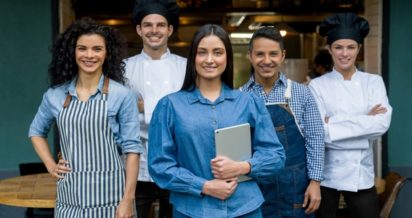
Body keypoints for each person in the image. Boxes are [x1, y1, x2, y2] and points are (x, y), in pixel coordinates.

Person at [147, 24, 286, 218]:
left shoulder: (248, 102)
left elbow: (275, 156)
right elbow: (159, 166)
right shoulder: (169, 106)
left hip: (245, 208)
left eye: (218, 52)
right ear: (193, 58)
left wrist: (243, 167)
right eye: (202, 52)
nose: (210, 60)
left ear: (227, 58)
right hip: (192, 210)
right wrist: (204, 186)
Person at [28, 17, 142, 218]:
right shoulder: (55, 95)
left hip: (112, 201)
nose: (89, 55)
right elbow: (36, 132)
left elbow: (132, 150)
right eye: (82, 48)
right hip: (68, 202)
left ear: (107, 53)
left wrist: (127, 201)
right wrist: (51, 165)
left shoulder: (123, 95)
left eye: (97, 49)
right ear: (72, 52)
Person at [309, 13, 392, 218]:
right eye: (338, 47)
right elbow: (319, 133)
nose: (344, 53)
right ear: (329, 49)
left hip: (361, 177)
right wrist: (365, 125)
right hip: (327, 179)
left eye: (351, 47)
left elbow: (381, 125)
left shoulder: (373, 82)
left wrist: (333, 123)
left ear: (359, 49)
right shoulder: (317, 86)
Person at [240, 26, 325, 218]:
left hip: (296, 188)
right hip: (255, 188)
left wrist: (315, 182)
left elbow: (315, 138)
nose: (267, 60)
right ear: (250, 56)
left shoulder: (301, 93)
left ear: (283, 55)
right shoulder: (239, 97)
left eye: (273, 54)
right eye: (260, 54)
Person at [124, 0, 186, 217]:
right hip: (136, 165)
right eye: (148, 25)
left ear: (170, 30)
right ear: (139, 30)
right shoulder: (123, 69)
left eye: (160, 25)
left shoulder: (186, 67)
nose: (154, 30)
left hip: (177, 163)